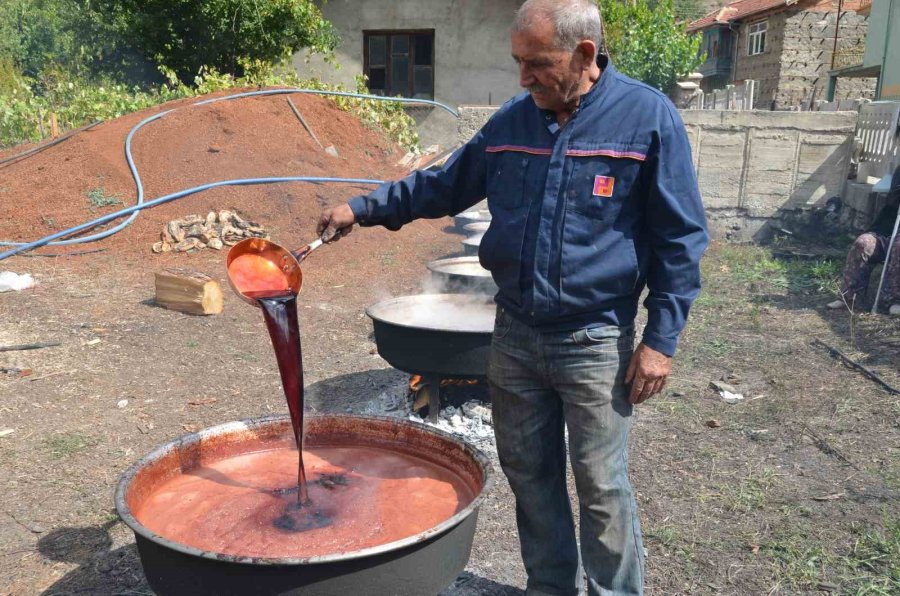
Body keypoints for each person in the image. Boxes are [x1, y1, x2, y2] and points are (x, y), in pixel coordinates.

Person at [318, 1, 709, 593]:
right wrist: (362, 208)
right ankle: (550, 587)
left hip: (595, 339)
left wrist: (661, 341)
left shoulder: (646, 119)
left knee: (601, 486)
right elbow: (443, 184)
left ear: (584, 55)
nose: (522, 78)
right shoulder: (512, 123)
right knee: (530, 476)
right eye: (517, 63)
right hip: (516, 335)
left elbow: (680, 238)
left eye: (536, 64)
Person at [827, 164, 900, 314]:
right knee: (863, 243)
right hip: (887, 232)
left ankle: (894, 301)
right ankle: (850, 298)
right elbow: (893, 199)